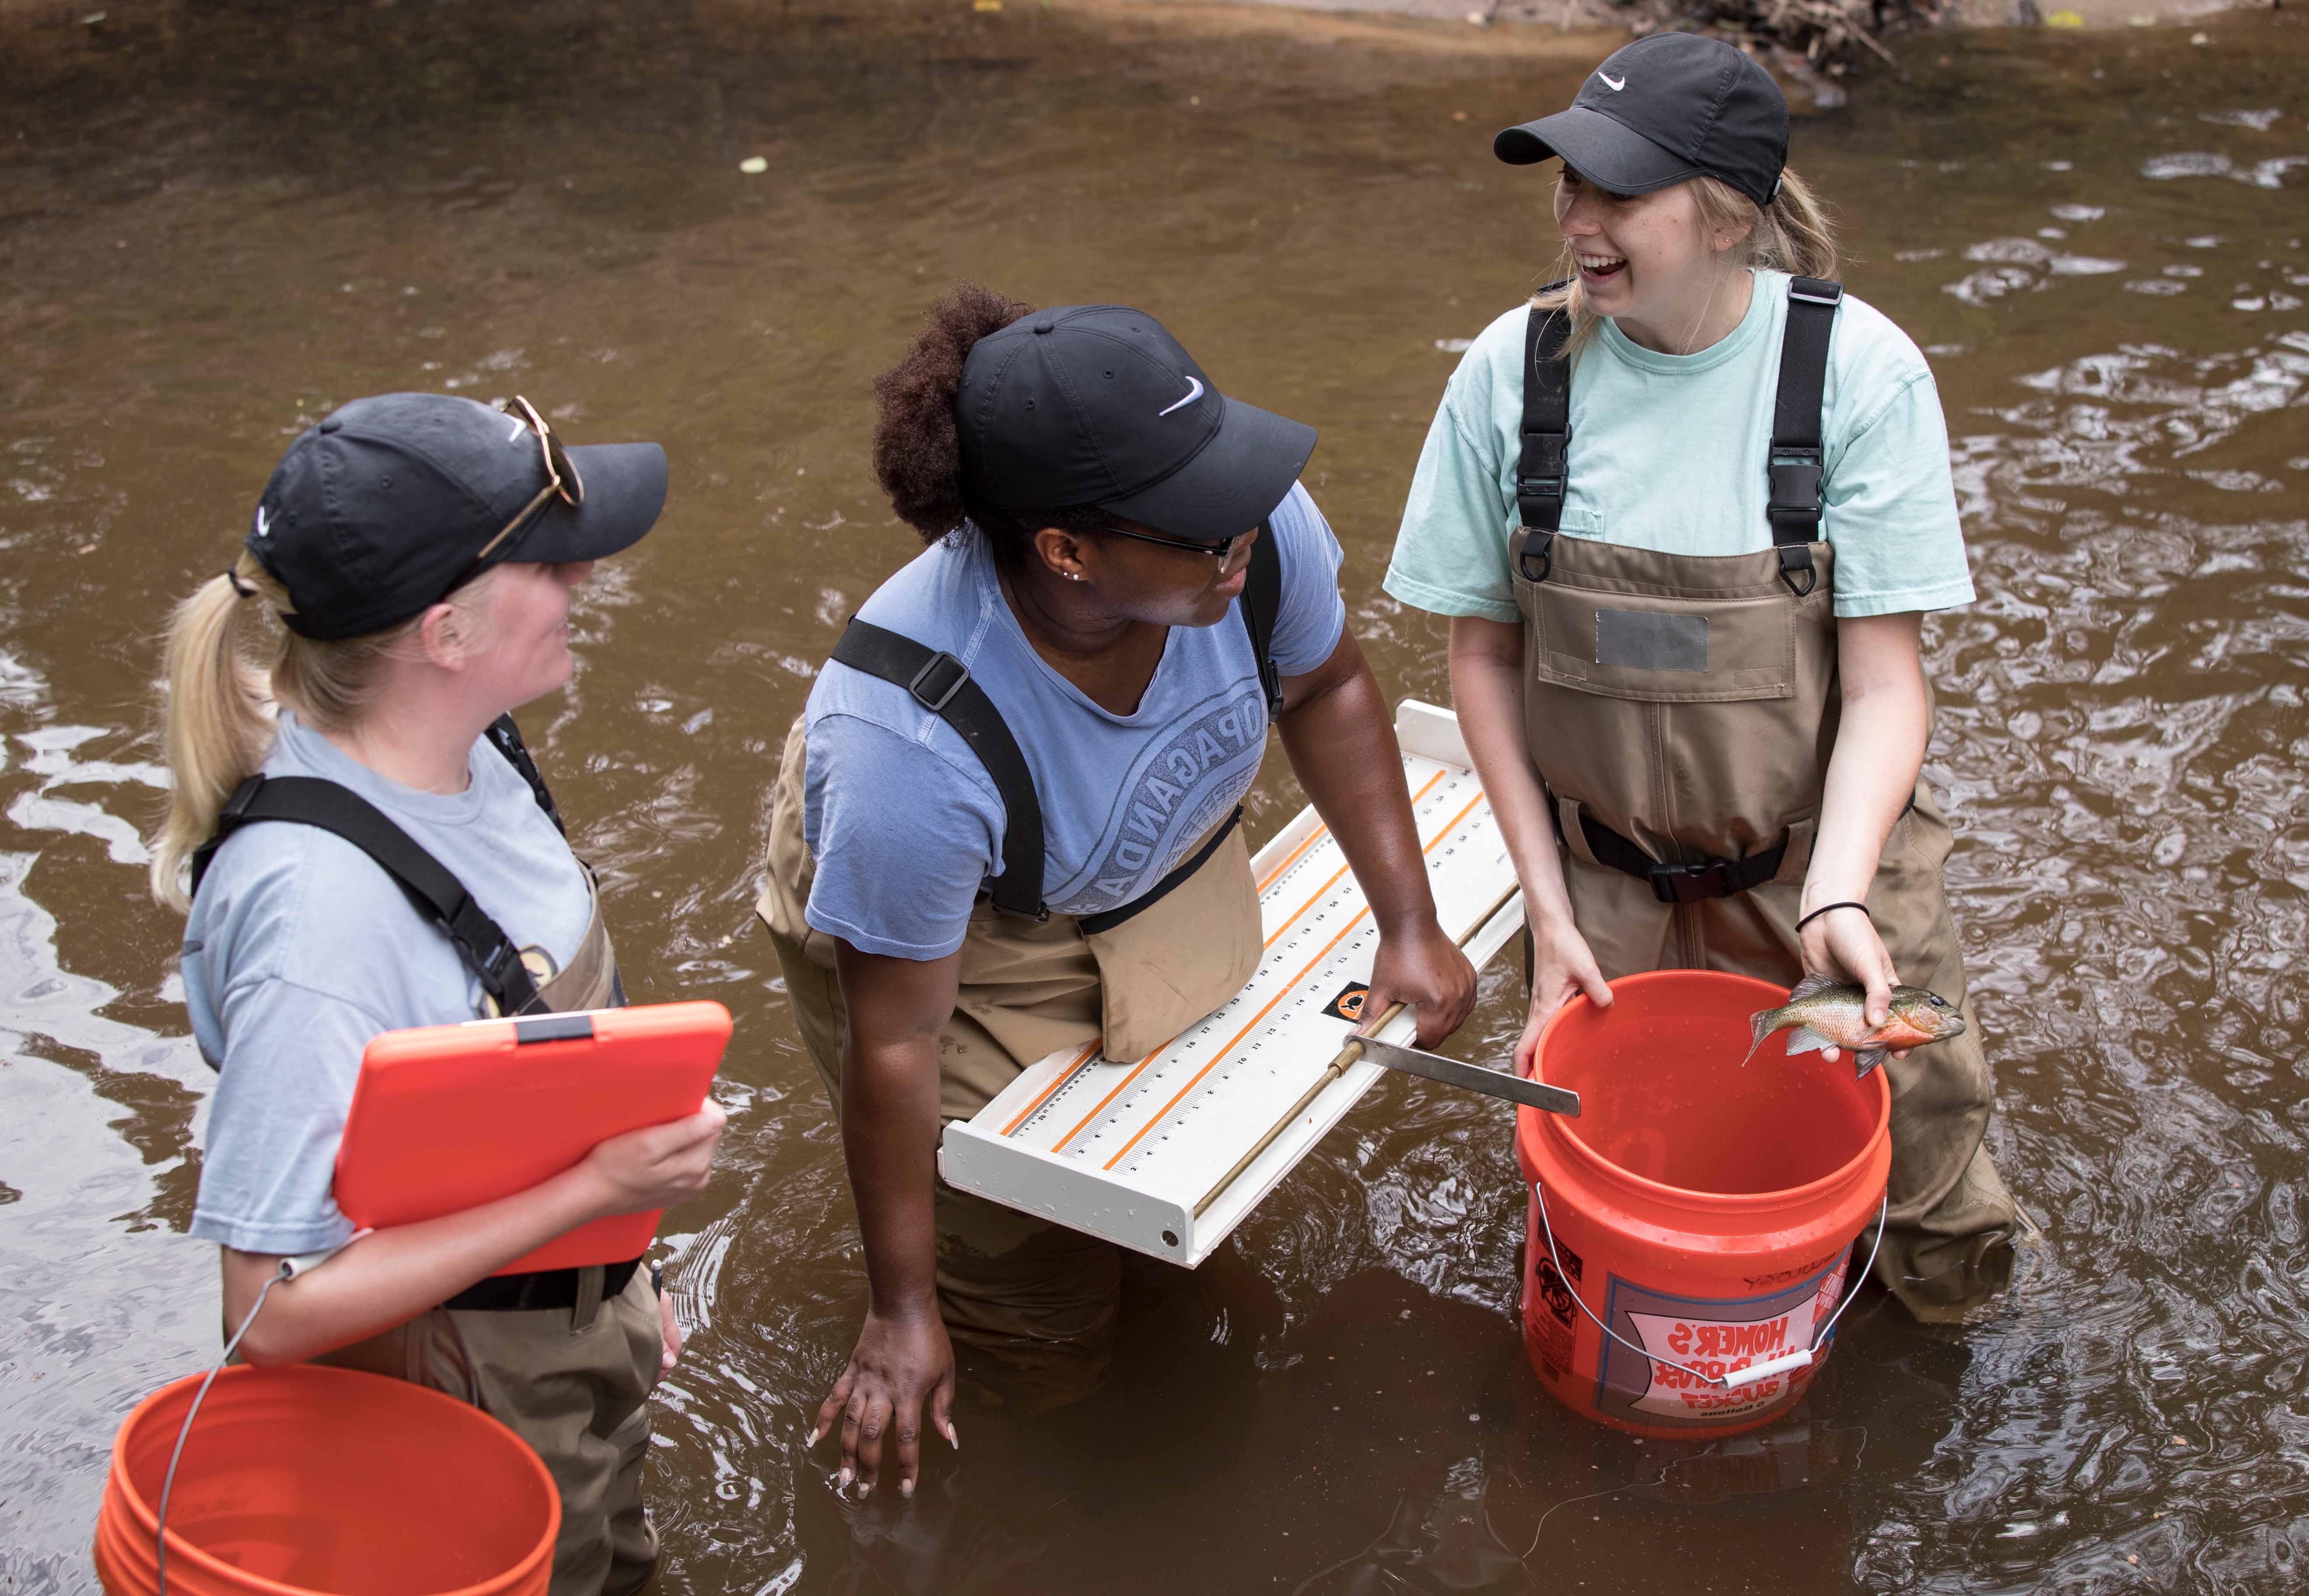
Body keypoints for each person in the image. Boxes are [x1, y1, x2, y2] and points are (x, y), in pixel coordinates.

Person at [756, 285, 1480, 1497]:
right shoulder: (909, 749)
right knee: (1035, 1295)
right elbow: (898, 1041)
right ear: (1067, 551)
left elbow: (1335, 689)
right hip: (954, 939)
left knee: (1178, 1217)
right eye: (1200, 522)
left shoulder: (1243, 537)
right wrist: (903, 1309)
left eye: (1235, 482)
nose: (1244, 527)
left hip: (1140, 861)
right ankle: (1049, 1445)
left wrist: (1409, 924)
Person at [1382, 33, 2019, 1323]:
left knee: (1927, 1172)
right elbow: (1484, 655)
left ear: (1729, 213)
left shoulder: (1858, 374)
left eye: (1618, 193)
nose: (1576, 222)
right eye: (1567, 184)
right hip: (1602, 884)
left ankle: (1968, 1389)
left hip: (1820, 862)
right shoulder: (1513, 374)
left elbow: (1888, 688)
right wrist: (1545, 903)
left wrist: (1841, 887)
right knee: (1612, 1171)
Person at [154, 393, 725, 1596]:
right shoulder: (322, 918)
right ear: (447, 633)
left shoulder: (478, 744)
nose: (583, 581)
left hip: (575, 1311)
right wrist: (592, 1193)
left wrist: (626, 1270)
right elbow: (270, 1316)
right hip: (469, 1398)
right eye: (548, 562)